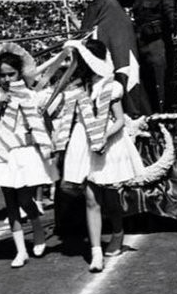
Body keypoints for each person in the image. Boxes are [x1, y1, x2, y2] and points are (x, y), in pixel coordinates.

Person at [47, 38, 146, 273]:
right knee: (91, 198)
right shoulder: (77, 87)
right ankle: (96, 252)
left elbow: (120, 120)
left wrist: (102, 138)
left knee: (110, 198)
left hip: (108, 143)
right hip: (83, 143)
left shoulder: (110, 86)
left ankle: (118, 233)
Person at [0, 42, 58, 268]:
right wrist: (0, 107)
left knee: (23, 199)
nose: (6, 79)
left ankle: (37, 229)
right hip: (1, 150)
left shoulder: (31, 95)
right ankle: (21, 250)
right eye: (2, 75)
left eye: (11, 74)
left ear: (20, 73)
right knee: (10, 201)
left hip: (24, 151)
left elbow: (42, 116)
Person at [66, 0, 149, 117]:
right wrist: (74, 20)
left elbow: (84, 34)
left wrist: (72, 22)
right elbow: (90, 31)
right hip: (126, 56)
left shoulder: (99, 3)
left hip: (116, 57)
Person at [112, 0, 177, 113]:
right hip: (140, 46)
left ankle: (161, 118)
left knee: (159, 86)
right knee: (143, 86)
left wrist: (176, 31)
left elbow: (173, 17)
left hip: (157, 45)